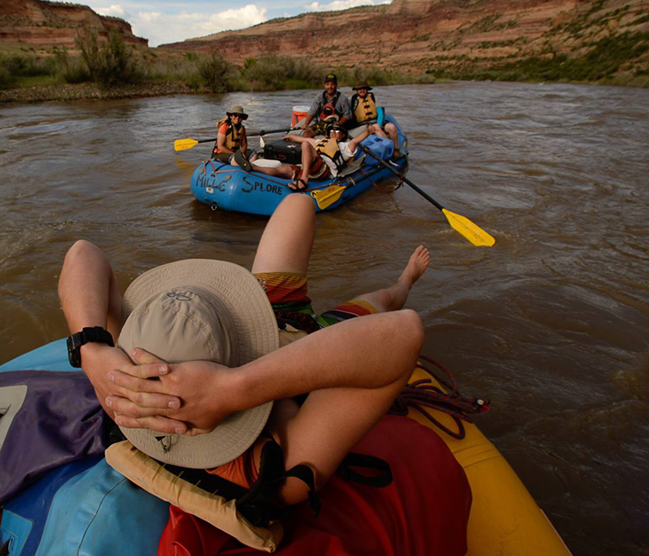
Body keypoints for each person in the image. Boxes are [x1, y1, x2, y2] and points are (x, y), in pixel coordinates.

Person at [58, 194, 432, 508]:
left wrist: (90, 348)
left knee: (298, 203)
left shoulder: (128, 375)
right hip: (304, 340)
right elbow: (403, 332)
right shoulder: (282, 470)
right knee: (382, 301)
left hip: (252, 321)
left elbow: (81, 252)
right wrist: (233, 388)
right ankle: (406, 280)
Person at [281, 124, 370, 191]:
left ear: (343, 135)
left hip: (323, 170)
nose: (334, 133)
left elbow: (355, 141)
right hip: (310, 168)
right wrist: (291, 136)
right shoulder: (320, 141)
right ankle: (267, 177)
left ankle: (304, 179)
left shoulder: (345, 146)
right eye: (332, 131)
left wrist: (367, 132)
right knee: (282, 169)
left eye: (337, 131)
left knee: (305, 145)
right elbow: (304, 139)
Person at [298, 73, 352, 138]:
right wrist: (306, 124)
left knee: (333, 136)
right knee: (307, 134)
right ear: (324, 85)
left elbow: (347, 115)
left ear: (336, 85)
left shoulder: (343, 98)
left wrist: (339, 123)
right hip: (322, 125)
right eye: (327, 84)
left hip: (336, 126)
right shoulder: (319, 97)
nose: (330, 87)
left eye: (332, 84)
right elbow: (312, 111)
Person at [350, 82, 399, 151]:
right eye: (359, 89)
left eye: (364, 89)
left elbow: (380, 112)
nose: (362, 91)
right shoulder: (352, 100)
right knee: (376, 127)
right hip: (362, 125)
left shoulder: (373, 97)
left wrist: (379, 125)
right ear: (356, 90)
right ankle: (388, 149)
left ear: (367, 90)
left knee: (392, 127)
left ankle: (396, 149)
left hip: (376, 122)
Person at [211, 105, 254, 170]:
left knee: (253, 153)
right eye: (235, 115)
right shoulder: (224, 126)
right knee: (235, 158)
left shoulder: (242, 128)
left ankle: (252, 170)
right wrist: (236, 155)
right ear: (231, 116)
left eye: (240, 116)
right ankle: (242, 170)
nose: (237, 118)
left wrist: (241, 154)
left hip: (236, 153)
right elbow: (220, 146)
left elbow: (244, 144)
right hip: (221, 154)